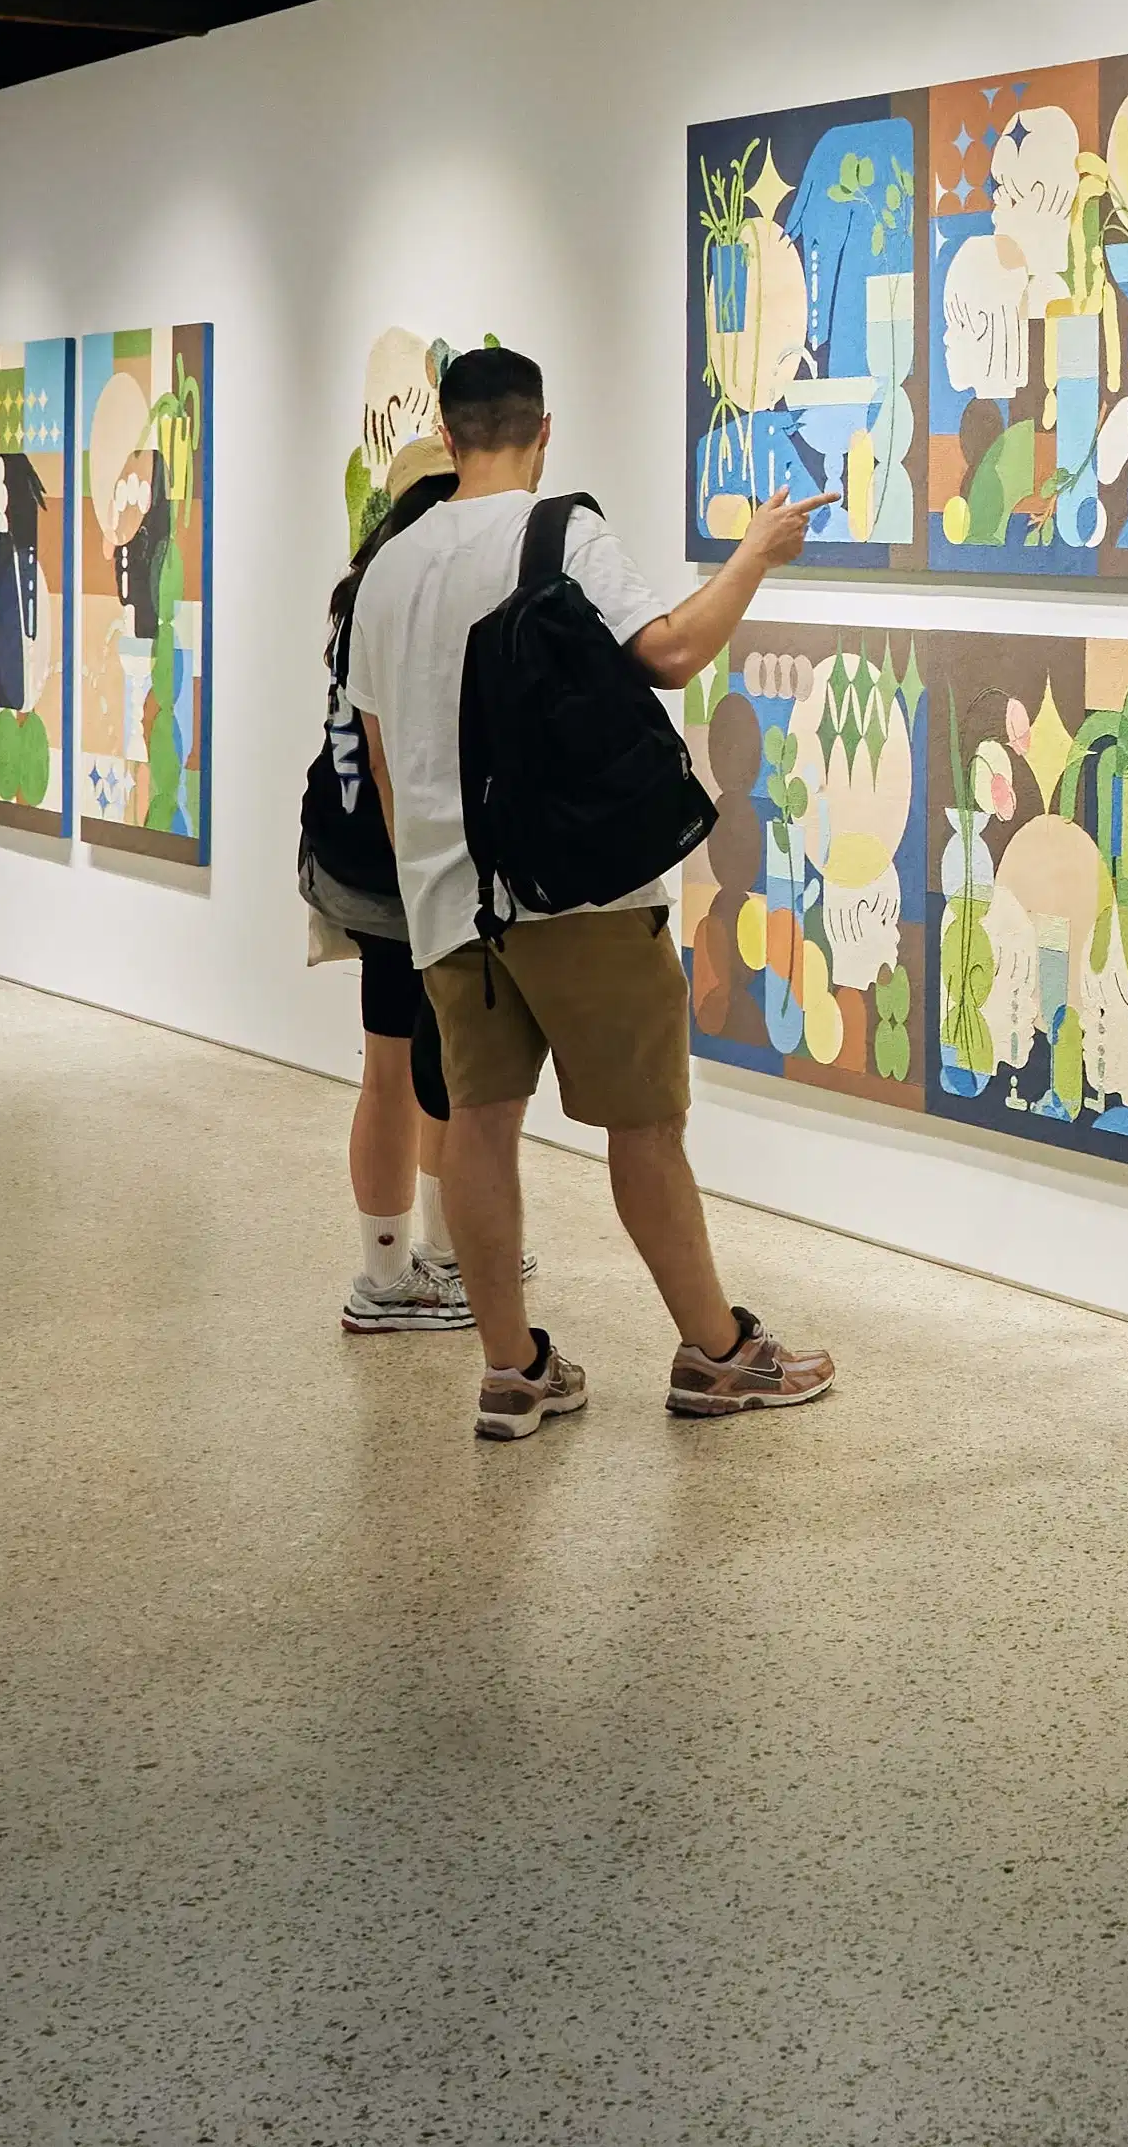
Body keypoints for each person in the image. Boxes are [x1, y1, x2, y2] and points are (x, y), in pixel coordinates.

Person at [345, 346, 835, 1437]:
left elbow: (380, 753)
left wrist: (432, 875)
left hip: (445, 900)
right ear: (543, 427)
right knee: (644, 1126)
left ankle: (513, 1370)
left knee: (477, 1123)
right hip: (580, 896)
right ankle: (716, 1354)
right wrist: (755, 553)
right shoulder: (559, 532)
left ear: (447, 425)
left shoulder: (387, 564)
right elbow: (670, 654)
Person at [309, 438, 491, 1334]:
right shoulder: (430, 589)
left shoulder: (363, 585)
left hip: (344, 854)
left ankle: (442, 1249)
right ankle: (390, 1276)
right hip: (396, 869)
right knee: (416, 1067)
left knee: (415, 1063)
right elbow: (398, 762)